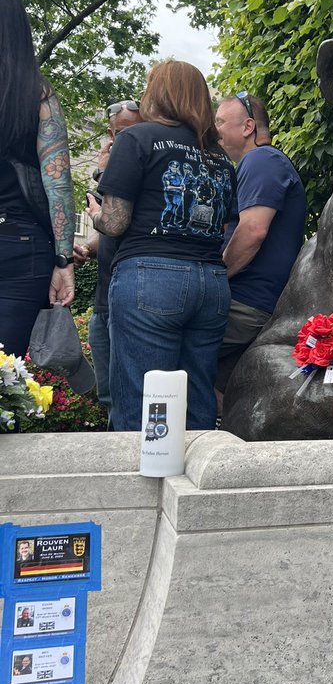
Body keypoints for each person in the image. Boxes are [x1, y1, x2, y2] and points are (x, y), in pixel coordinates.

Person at [89, 61, 237, 430]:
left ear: (157, 93)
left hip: (150, 276)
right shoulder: (221, 159)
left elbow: (115, 222)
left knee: (143, 401)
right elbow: (219, 224)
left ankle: (142, 484)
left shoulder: (136, 139)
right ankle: (194, 481)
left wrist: (95, 213)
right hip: (211, 284)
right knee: (197, 397)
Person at [214, 92, 307, 395]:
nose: (214, 131)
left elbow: (253, 231)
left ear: (248, 126)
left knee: (167, 337)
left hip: (246, 303)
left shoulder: (261, 159)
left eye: (220, 122)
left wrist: (214, 276)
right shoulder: (261, 163)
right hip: (252, 302)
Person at [0, 0, 75, 355]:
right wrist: (63, 260)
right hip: (20, 244)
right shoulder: (38, 94)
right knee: (5, 374)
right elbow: (58, 184)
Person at [74, 100, 143, 418]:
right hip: (104, 302)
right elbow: (107, 228)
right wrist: (86, 248)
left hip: (129, 302)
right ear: (110, 132)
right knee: (108, 397)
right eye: (122, 131)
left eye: (134, 129)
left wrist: (104, 172)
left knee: (128, 397)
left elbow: (118, 221)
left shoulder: (144, 163)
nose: (128, 138)